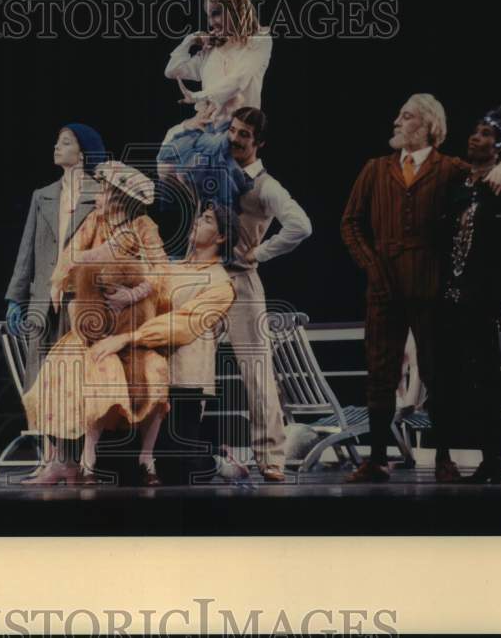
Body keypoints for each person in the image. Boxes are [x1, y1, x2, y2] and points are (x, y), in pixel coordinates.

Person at [340, 93, 501, 483]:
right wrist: (371, 266)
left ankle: (443, 457)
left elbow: (488, 174)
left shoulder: (449, 168)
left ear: (427, 126)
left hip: (430, 287)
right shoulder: (376, 168)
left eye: (406, 118)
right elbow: (350, 223)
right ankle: (377, 459)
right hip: (383, 288)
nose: (397, 123)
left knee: (439, 374)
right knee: (380, 372)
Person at [20, 160, 169, 485]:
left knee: (155, 372)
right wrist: (62, 283)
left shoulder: (143, 226)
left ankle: (146, 458)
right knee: (80, 369)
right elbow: (70, 256)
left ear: (119, 198)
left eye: (104, 190)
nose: (98, 195)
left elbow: (160, 273)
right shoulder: (94, 222)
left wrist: (130, 295)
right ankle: (76, 461)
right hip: (93, 325)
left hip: (132, 329)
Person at [90, 202, 237, 485]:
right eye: (198, 217)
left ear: (221, 237)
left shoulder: (221, 284)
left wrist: (128, 337)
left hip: (183, 382)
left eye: (206, 220)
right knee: (118, 469)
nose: (196, 222)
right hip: (146, 374)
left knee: (179, 469)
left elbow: (181, 324)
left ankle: (214, 459)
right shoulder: (168, 268)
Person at [220, 107, 312, 482]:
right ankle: (181, 453)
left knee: (257, 372)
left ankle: (270, 457)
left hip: (241, 281)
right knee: (184, 366)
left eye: (244, 135)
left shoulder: (266, 185)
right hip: (203, 279)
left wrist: (260, 252)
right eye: (233, 130)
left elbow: (301, 225)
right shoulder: (215, 170)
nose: (236, 138)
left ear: (259, 143)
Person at [438, 108, 501, 483]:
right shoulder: (461, 182)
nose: (476, 137)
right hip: (452, 295)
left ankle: (496, 458)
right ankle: (471, 456)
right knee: (457, 378)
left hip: (481, 295)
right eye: (474, 131)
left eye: (486, 133)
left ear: (498, 144)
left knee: (486, 375)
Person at [5, 124, 108, 392]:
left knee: (75, 378)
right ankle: (41, 434)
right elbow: (27, 250)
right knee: (39, 379)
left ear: (83, 153)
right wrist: (16, 297)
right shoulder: (43, 196)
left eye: (65, 143)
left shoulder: (101, 195)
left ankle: (72, 434)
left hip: (80, 298)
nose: (56, 147)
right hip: (43, 298)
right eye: (57, 142)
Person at [158, 0, 272, 191]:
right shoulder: (212, 49)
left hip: (236, 131)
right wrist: (191, 40)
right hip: (208, 127)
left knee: (197, 174)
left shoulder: (260, 41)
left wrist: (200, 96)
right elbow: (172, 70)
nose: (211, 23)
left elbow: (239, 80)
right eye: (209, 16)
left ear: (236, 10)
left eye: (217, 13)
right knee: (168, 156)